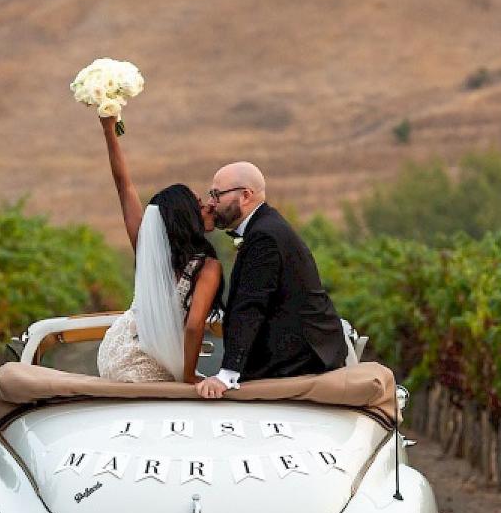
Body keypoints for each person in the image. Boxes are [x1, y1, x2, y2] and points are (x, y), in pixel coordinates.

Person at [196, 162, 347, 399]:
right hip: (299, 350)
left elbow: (251, 305)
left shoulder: (264, 235)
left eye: (217, 194)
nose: (211, 203)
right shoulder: (265, 226)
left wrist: (227, 375)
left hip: (304, 358)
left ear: (245, 195)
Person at [95, 114, 223, 383]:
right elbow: (193, 326)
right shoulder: (206, 267)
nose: (208, 206)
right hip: (147, 361)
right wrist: (189, 377)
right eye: (199, 205)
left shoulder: (147, 249)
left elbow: (124, 187)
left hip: (113, 350)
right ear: (187, 216)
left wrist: (108, 129)